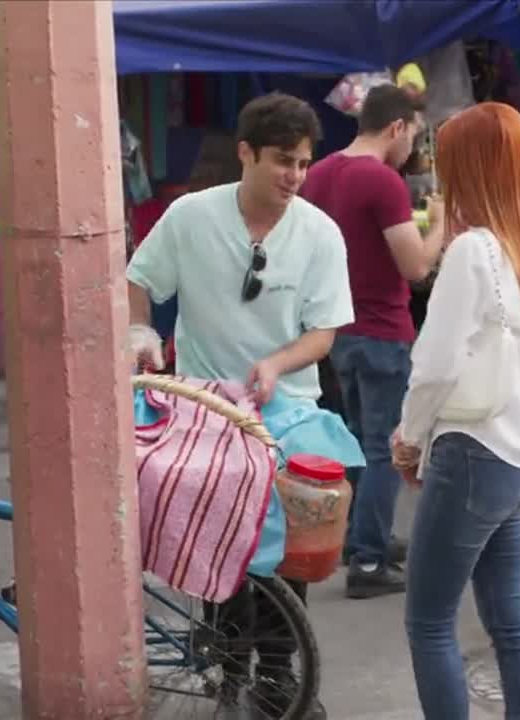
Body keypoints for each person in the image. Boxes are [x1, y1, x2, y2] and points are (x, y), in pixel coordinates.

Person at [126, 92, 351, 718]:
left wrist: (276, 364)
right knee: (216, 539)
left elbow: (323, 334)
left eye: (303, 163)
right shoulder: (190, 217)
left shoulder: (319, 233)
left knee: (286, 552)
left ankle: (279, 678)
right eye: (282, 161)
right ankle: (227, 673)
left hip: (288, 410)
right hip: (203, 409)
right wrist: (140, 332)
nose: (294, 176)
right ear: (246, 153)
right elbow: (138, 280)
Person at [392, 102, 520, 719]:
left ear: (472, 168)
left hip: (473, 451)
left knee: (429, 622)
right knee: (509, 620)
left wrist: (410, 437)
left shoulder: (472, 251)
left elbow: (436, 364)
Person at [299, 84, 446, 599]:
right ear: (396, 127)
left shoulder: (319, 173)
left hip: (335, 328)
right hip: (382, 328)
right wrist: (441, 225)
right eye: (414, 138)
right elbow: (416, 266)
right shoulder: (382, 181)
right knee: (385, 444)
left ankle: (360, 534)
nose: (413, 150)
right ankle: (368, 559)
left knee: (357, 438)